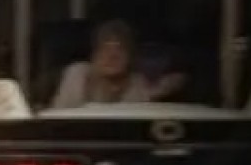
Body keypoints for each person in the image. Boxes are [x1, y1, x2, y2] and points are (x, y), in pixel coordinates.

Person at [50, 19, 185, 109]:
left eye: (120, 49)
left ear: (130, 57)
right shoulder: (77, 73)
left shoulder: (138, 84)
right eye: (105, 48)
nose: (112, 56)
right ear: (94, 55)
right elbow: (62, 120)